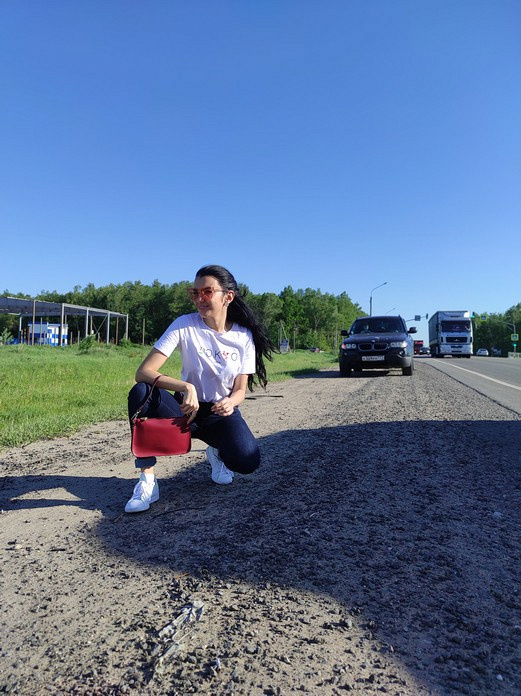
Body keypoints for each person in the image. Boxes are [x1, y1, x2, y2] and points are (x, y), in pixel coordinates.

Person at [125, 264, 275, 513]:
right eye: (194, 292)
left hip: (219, 414)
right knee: (141, 392)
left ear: (228, 296)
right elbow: (144, 372)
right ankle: (147, 481)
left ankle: (216, 452)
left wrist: (231, 402)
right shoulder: (184, 324)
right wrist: (186, 386)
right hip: (184, 410)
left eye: (207, 292)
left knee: (247, 461)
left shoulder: (243, 336)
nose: (199, 298)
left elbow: (240, 389)